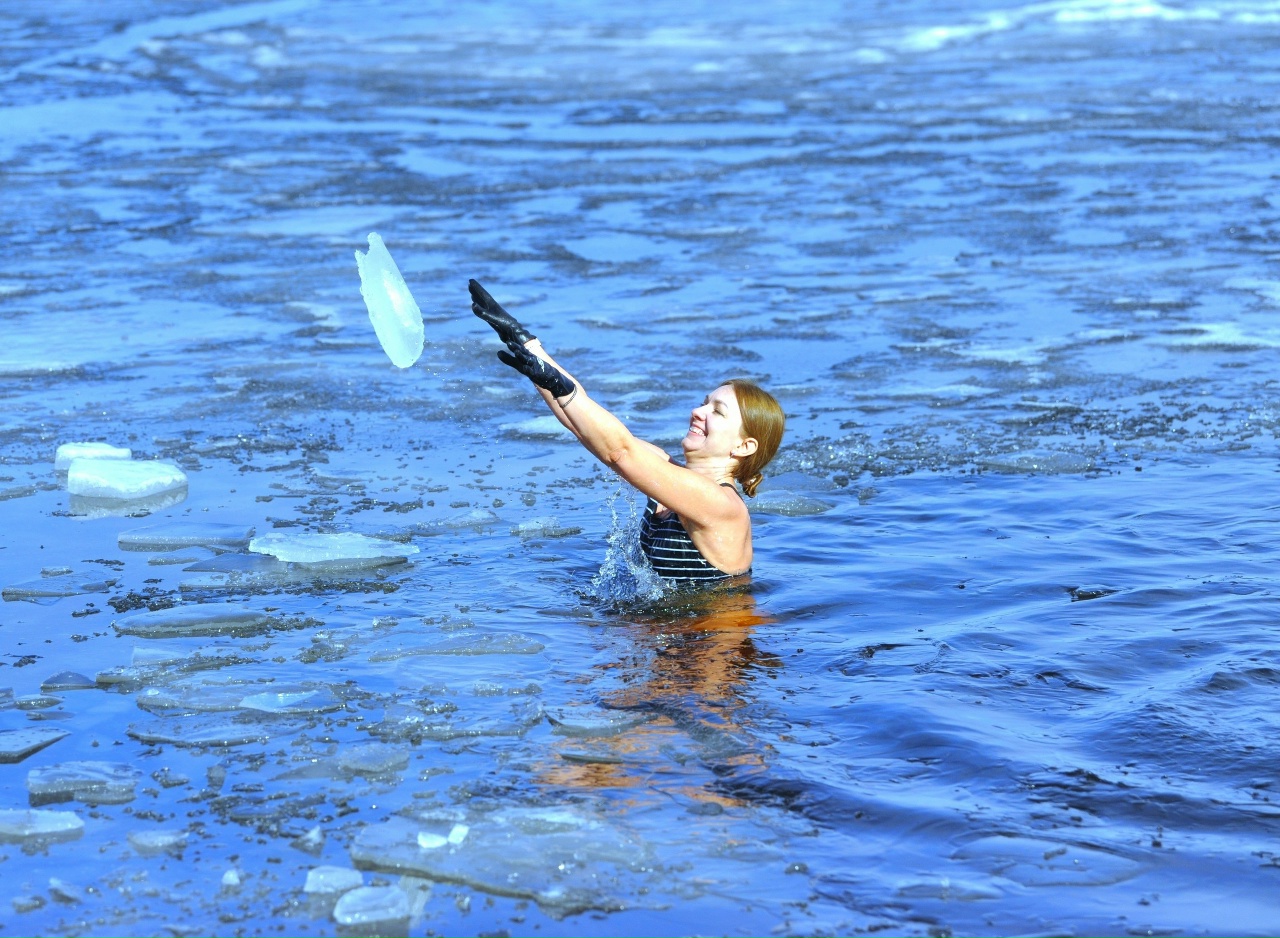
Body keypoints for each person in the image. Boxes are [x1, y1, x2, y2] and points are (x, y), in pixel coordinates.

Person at [469, 279, 785, 588]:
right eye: (704, 403)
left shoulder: (722, 504)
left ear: (744, 446)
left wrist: (558, 385)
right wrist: (526, 344)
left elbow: (619, 452)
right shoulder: (667, 469)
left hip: (713, 637)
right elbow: (584, 424)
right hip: (672, 633)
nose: (697, 412)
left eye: (716, 411)